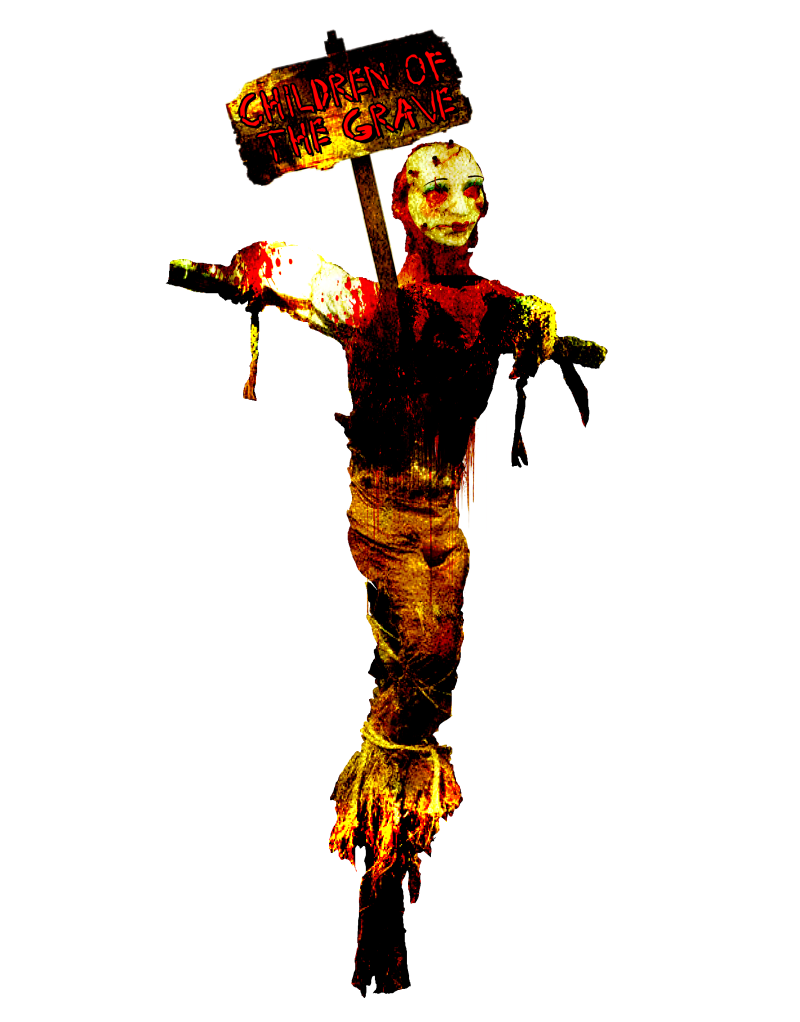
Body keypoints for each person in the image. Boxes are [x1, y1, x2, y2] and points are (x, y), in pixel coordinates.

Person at [168, 137, 606, 991]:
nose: (459, 205)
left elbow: (552, 352)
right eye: (436, 190)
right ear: (400, 205)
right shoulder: (371, 306)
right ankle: (381, 873)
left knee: (431, 685)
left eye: (473, 189)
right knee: (426, 668)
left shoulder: (507, 313)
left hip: (448, 527)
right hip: (386, 524)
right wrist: (224, 275)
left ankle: (391, 895)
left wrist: (574, 359)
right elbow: (294, 277)